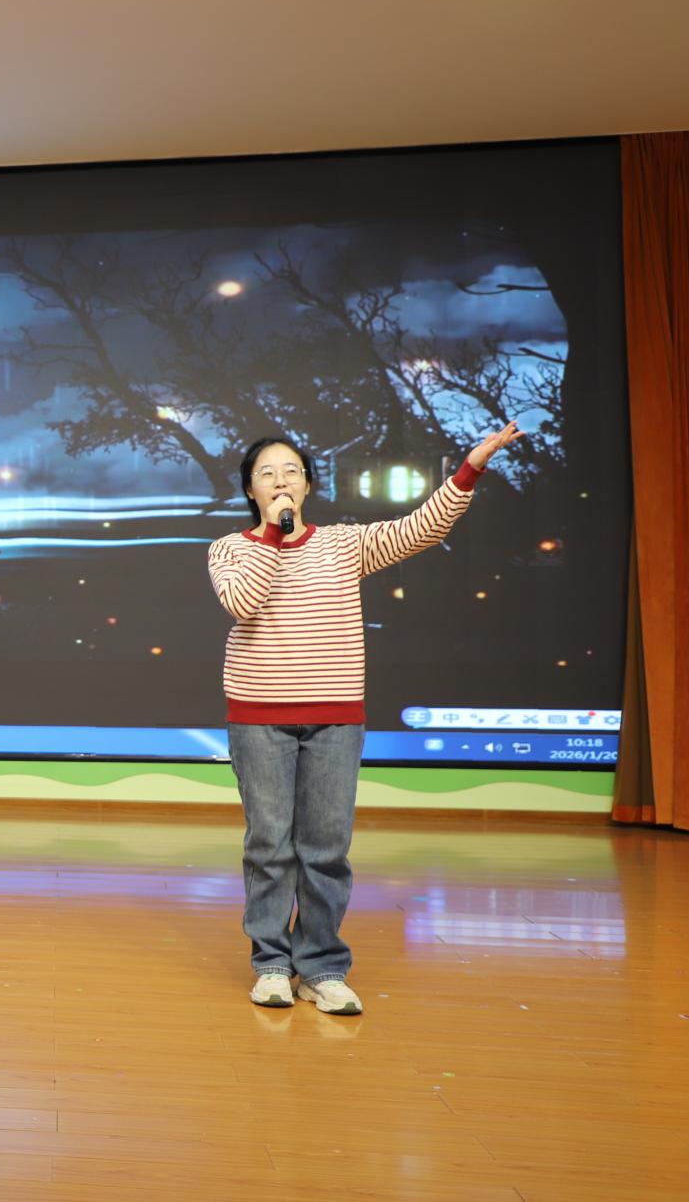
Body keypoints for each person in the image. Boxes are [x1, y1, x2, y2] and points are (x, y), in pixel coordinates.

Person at [206, 422, 523, 1014]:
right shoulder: (231, 549)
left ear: (308, 485)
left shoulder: (345, 544)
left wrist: (472, 466)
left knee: (326, 849)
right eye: (267, 474)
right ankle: (271, 964)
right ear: (251, 490)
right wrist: (274, 535)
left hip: (336, 717)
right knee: (270, 846)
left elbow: (423, 528)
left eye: (292, 471)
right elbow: (243, 602)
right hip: (258, 718)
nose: (281, 481)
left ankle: (322, 968)